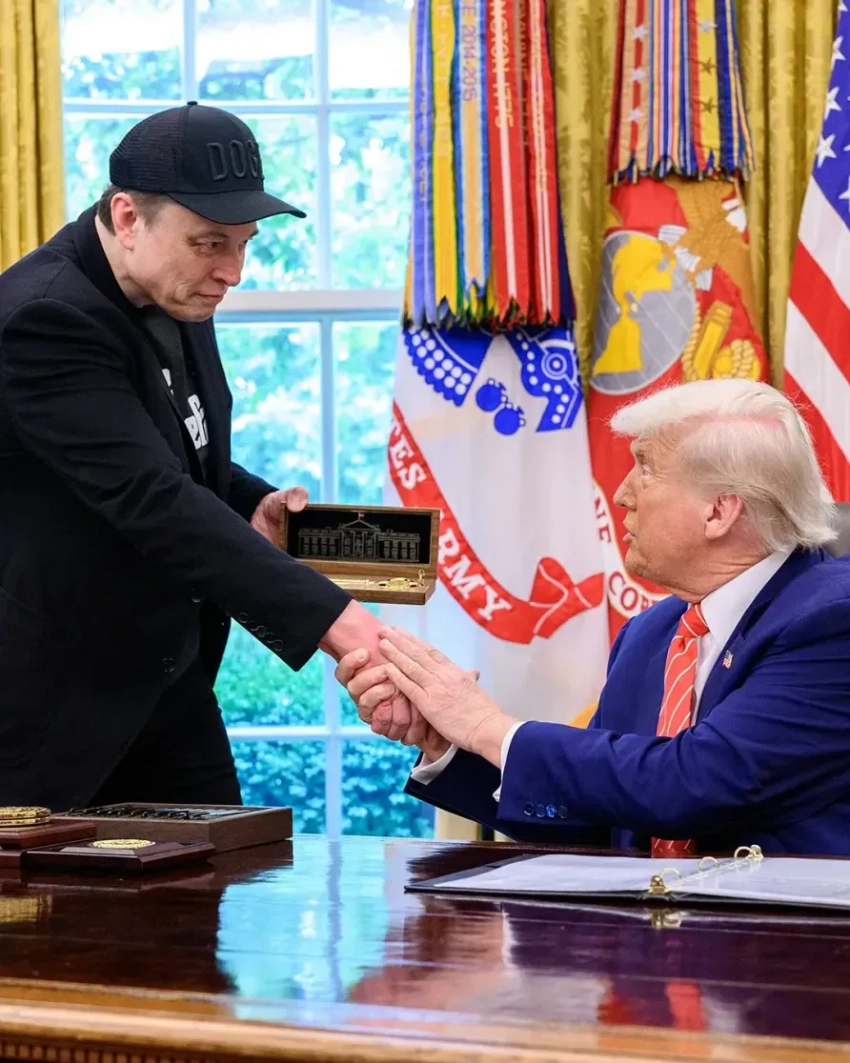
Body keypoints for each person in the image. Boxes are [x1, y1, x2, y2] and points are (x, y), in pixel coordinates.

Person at [0, 102, 412, 810]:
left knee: (229, 867)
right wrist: (352, 632)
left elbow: (168, 447)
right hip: (52, 710)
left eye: (244, 243)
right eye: (210, 243)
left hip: (169, 682)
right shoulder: (44, 317)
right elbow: (151, 496)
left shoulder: (176, 286)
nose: (233, 270)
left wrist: (248, 501)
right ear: (127, 217)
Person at [340, 379, 850, 856]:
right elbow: (598, 813)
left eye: (645, 468)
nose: (621, 494)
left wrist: (488, 727)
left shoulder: (832, 621)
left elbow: (696, 783)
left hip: (781, 924)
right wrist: (447, 741)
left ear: (719, 512)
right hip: (643, 921)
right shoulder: (650, 635)